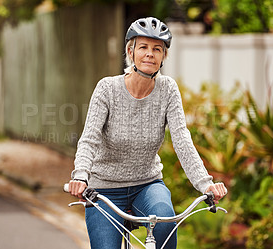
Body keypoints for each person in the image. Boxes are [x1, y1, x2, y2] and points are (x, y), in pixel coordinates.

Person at [68, 17, 227, 249]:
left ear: (163, 57)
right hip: (104, 190)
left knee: (164, 221)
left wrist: (205, 184)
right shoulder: (107, 89)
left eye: (157, 49)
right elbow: (89, 139)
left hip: (147, 184)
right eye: (143, 47)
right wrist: (81, 175)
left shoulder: (168, 90)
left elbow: (182, 139)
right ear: (130, 52)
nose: (150, 54)